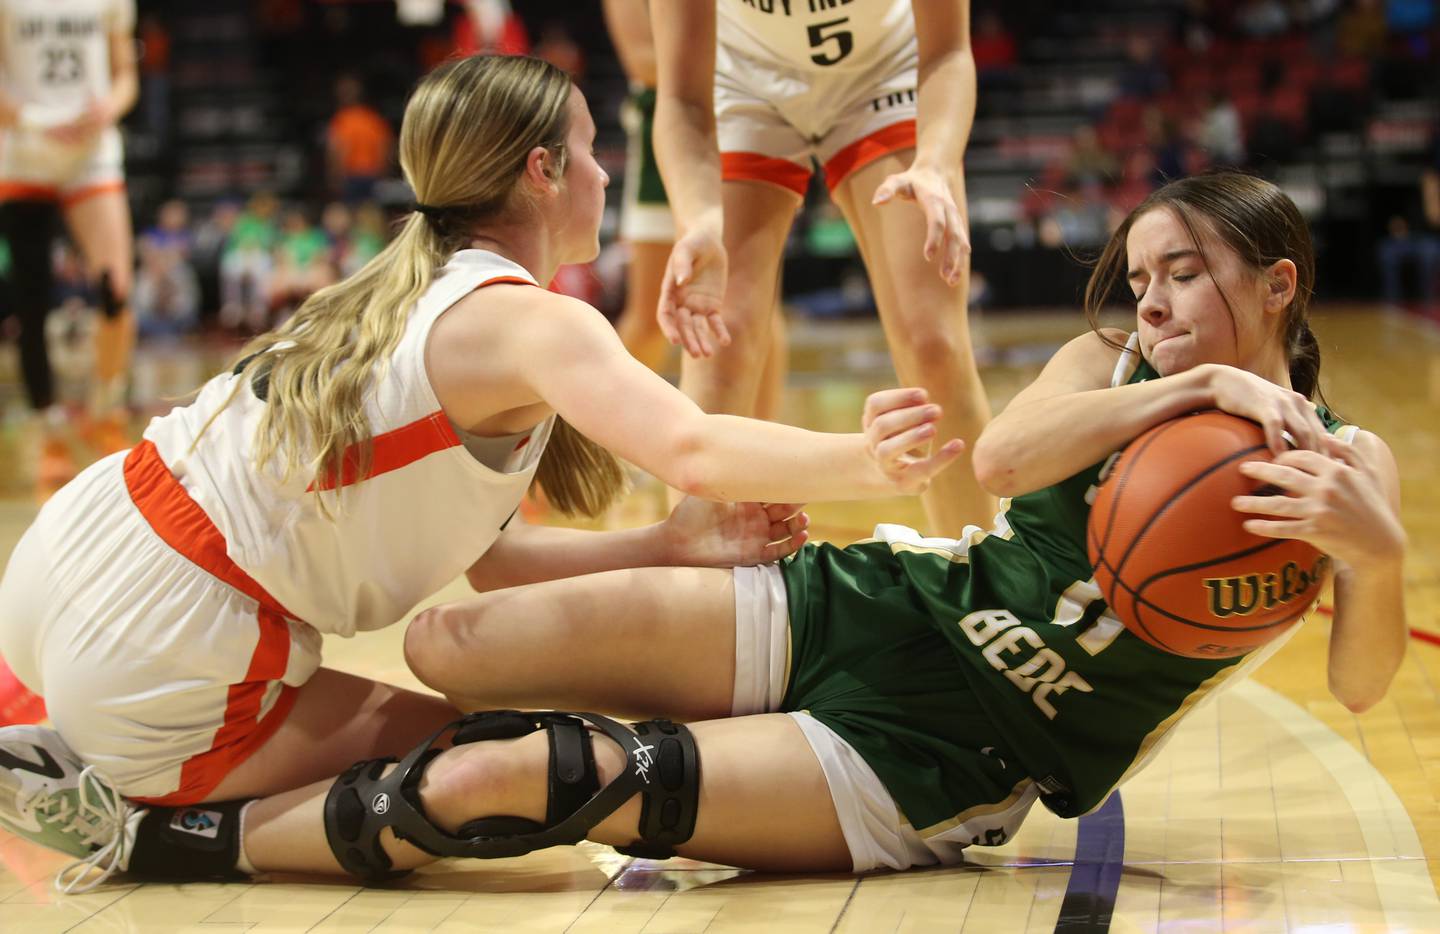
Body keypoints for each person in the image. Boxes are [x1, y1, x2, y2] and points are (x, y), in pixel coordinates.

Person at [18, 169, 1400, 886]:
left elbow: (1358, 680)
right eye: (1142, 274)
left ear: (1279, 281)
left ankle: (158, 838)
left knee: (519, 776)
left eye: (1187, 276)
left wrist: (1373, 554)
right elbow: (1005, 452)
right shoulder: (1111, 375)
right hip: (877, 602)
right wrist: (1203, 380)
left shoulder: (1343, 465)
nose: (1150, 301)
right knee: (454, 641)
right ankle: (184, 723)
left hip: (939, 751)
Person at [0, 54, 960, 891]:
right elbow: (692, 448)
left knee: (498, 753)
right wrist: (867, 459)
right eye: (589, 149)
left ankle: (79, 743)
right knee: (499, 767)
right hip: (171, 635)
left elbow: (494, 564)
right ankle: (172, 836)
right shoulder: (526, 321)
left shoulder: (395, 284)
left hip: (70, 560)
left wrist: (667, 544)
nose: (602, 170)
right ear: (542, 172)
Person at [649, 0, 993, 536]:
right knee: (718, 337)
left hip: (884, 75)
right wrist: (698, 220)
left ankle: (984, 579)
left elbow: (948, 51)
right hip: (746, 86)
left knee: (935, 345)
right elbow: (682, 100)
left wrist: (936, 161)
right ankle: (695, 579)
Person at [0, 0, 140, 497]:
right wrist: (36, 119)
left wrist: (111, 105)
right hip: (24, 154)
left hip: (91, 152)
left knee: (116, 289)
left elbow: (126, 75)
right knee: (32, 303)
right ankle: (50, 436)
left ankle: (106, 411)